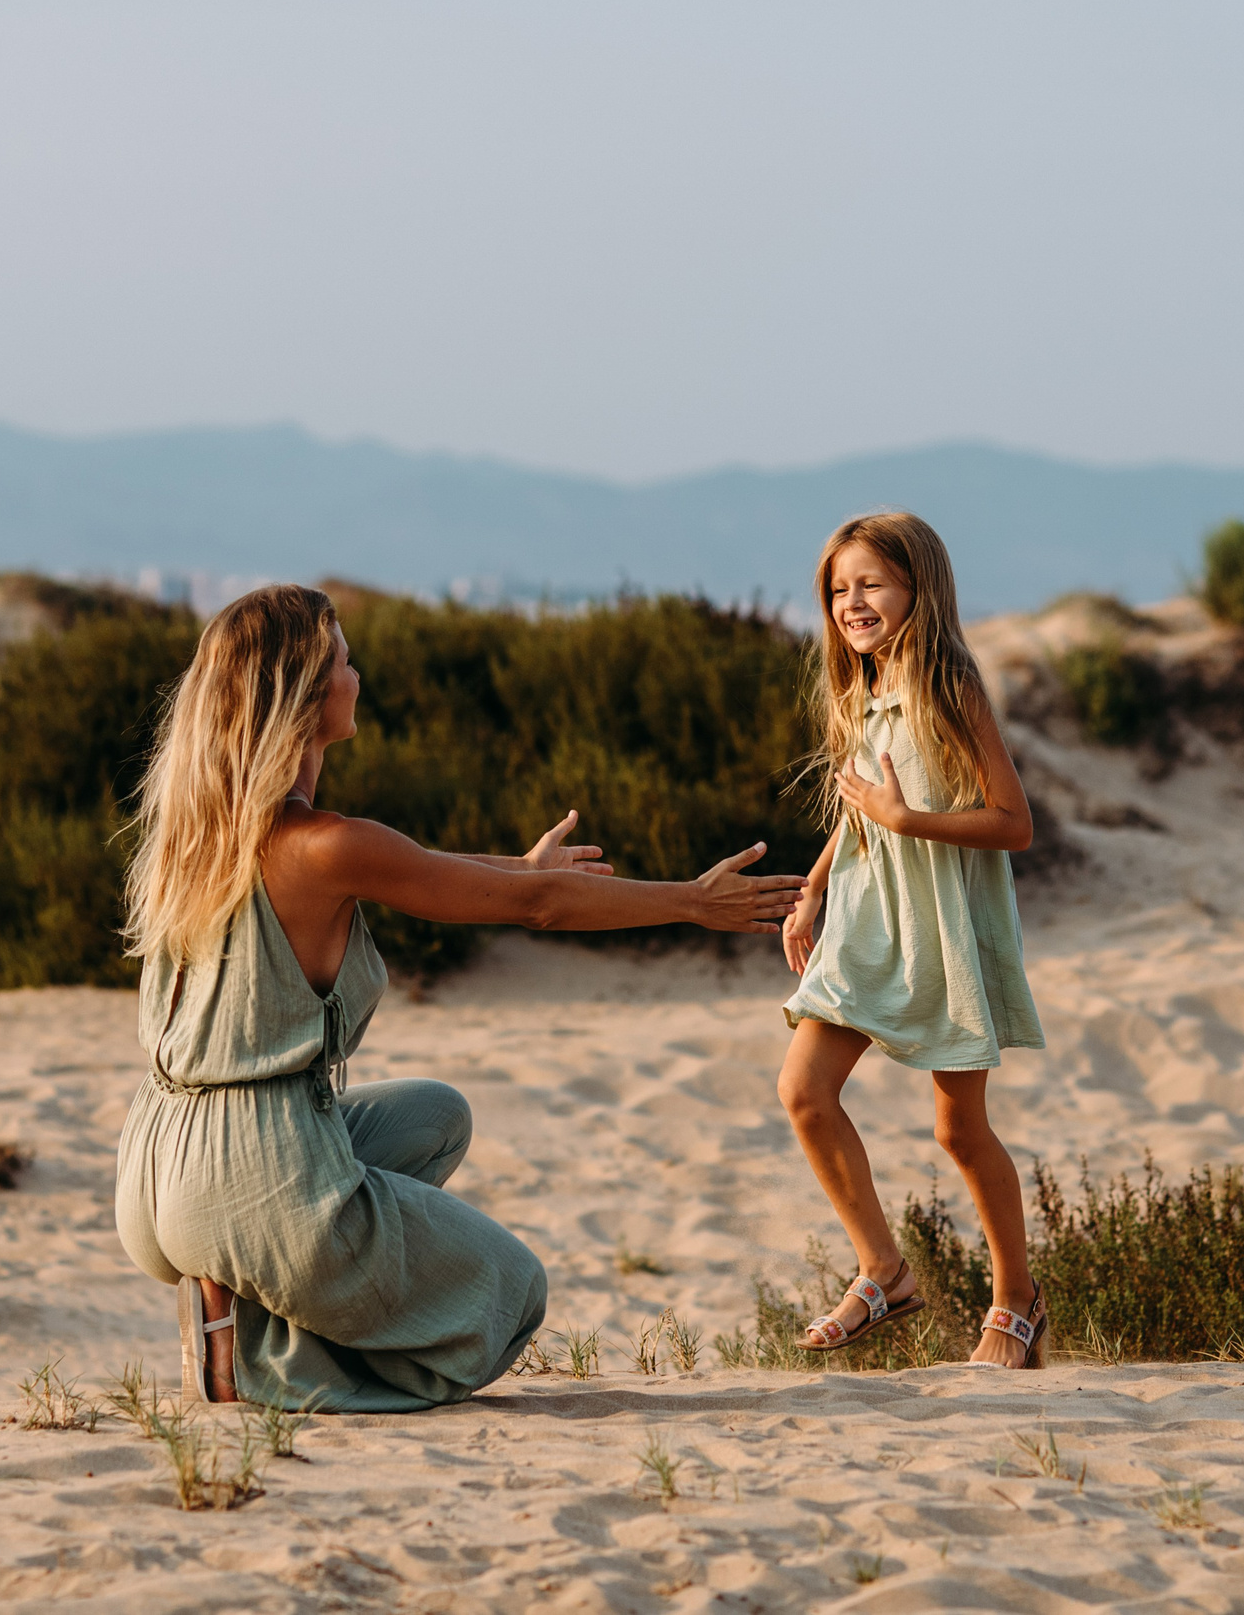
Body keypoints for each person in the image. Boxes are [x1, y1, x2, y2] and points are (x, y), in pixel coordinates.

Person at [113, 584, 806, 1411]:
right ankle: (259, 1366)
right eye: (342, 662)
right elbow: (535, 908)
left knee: (435, 1116)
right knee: (509, 1294)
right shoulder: (325, 847)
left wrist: (519, 865)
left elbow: (428, 865)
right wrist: (695, 900)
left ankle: (234, 1296)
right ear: (301, 698)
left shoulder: (199, 832)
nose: (356, 676)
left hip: (157, 1163)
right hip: (247, 1167)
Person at [777, 512, 1052, 1369]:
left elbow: (1015, 825)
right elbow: (863, 803)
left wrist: (911, 819)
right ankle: (882, 1271)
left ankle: (1017, 1301)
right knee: (804, 1091)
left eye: (871, 584)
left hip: (939, 929)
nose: (852, 603)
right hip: (866, 922)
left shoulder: (950, 689)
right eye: (837, 589)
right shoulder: (861, 687)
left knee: (958, 1131)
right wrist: (817, 883)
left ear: (917, 590)